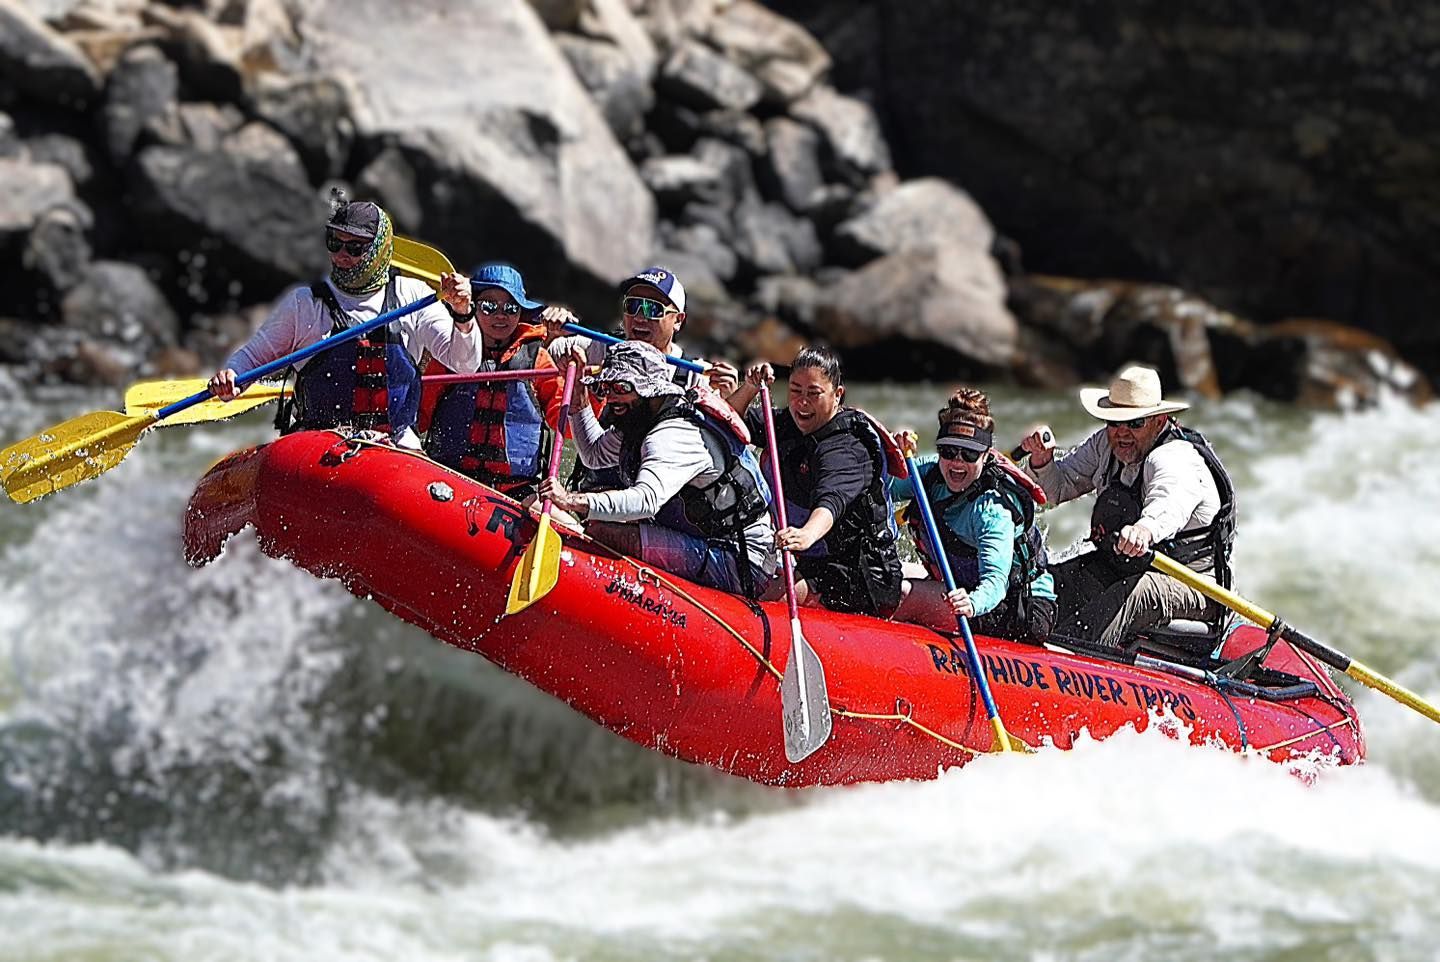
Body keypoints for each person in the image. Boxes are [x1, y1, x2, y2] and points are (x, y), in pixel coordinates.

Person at [207, 194, 477, 449]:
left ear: (380, 249)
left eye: (355, 247)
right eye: (334, 243)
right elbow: (250, 360)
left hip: (396, 447)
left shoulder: (414, 296)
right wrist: (231, 377)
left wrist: (463, 313)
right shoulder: (305, 303)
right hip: (319, 446)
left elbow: (465, 365)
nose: (341, 255)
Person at [1016, 364, 1236, 649]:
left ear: (1159, 421)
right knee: (1049, 581)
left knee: (1135, 592)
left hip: (1196, 588)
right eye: (1114, 422)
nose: (1122, 433)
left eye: (1135, 423)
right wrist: (1041, 461)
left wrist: (1145, 529)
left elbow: (1169, 504)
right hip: (1127, 568)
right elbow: (1055, 490)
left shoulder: (1175, 458)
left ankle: (1069, 656)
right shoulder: (1104, 446)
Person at [538, 341, 777, 598]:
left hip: (739, 559)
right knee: (601, 519)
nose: (611, 397)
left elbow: (645, 501)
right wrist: (578, 393)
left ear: (649, 391)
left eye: (622, 387)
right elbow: (593, 455)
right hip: (707, 540)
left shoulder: (671, 435)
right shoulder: (639, 420)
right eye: (606, 387)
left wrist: (570, 500)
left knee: (604, 532)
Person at [726, 346, 904, 618]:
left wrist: (806, 534)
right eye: (795, 391)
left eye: (813, 393)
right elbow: (730, 422)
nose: (802, 402)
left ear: (837, 394)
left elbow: (831, 501)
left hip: (861, 575)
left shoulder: (848, 448)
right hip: (813, 559)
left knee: (768, 602)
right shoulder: (788, 423)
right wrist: (749, 387)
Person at [544, 266, 740, 491]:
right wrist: (552, 331)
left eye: (652, 309)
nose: (639, 317)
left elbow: (726, 450)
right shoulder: (604, 348)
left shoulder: (696, 377)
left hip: (656, 496)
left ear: (678, 321)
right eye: (632, 305)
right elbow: (544, 354)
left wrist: (731, 400)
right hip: (597, 485)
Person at [889, 388, 1057, 644]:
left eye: (969, 454)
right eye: (948, 451)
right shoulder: (931, 473)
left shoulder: (993, 510)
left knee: (901, 593)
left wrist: (972, 603)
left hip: (1016, 606)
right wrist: (890, 453)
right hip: (961, 585)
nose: (957, 462)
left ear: (986, 455)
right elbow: (879, 485)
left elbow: (996, 582)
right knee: (886, 573)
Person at [419, 262, 564, 499]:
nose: (500, 315)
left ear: (521, 312)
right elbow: (418, 419)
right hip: (449, 478)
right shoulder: (450, 355)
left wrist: (584, 390)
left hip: (515, 489)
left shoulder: (537, 361)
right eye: (488, 306)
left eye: (510, 308)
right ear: (472, 307)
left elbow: (568, 427)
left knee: (565, 520)